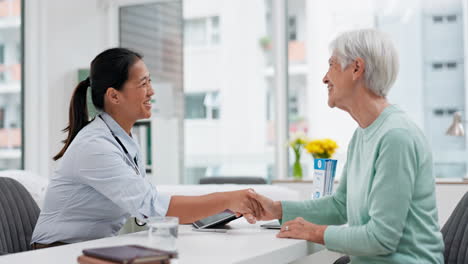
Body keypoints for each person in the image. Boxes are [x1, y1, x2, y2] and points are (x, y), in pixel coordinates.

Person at [31, 48, 260, 248]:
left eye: (149, 82)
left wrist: (219, 207)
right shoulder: (94, 146)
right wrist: (227, 199)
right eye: (143, 83)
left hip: (90, 246)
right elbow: (151, 206)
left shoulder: (123, 138)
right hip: (56, 252)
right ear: (114, 96)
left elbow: (149, 203)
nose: (151, 91)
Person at [248, 29, 444, 263]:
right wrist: (278, 209)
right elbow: (340, 205)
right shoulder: (363, 134)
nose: (324, 78)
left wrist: (315, 232)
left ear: (356, 68)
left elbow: (381, 238)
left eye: (331, 65)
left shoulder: (396, 137)